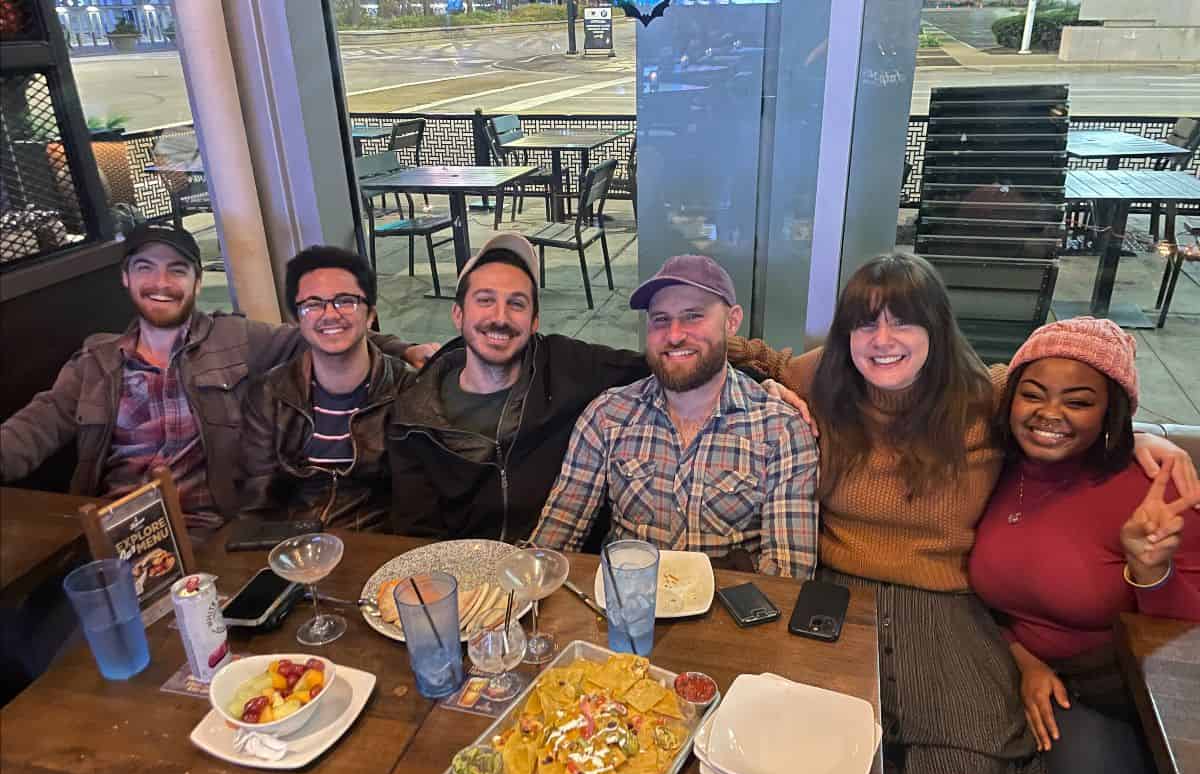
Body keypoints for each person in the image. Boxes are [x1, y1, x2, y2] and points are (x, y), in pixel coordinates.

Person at [750, 252, 1198, 774]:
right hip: (834, 597)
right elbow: (753, 357)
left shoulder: (984, 396)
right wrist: (747, 373)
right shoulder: (824, 380)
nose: (882, 341)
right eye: (864, 325)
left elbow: (1064, 408)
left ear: (938, 329)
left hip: (947, 609)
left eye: (903, 323)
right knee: (805, 769)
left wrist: (1141, 440)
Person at [0, 224, 430, 536]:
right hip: (118, 531)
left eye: (177, 270)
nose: (161, 283)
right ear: (125, 278)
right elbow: (34, 428)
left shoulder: (237, 338)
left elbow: (332, 331)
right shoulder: (94, 362)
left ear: (197, 281)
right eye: (145, 268)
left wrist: (407, 349)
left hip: (209, 530)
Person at [970, 317, 1199, 774]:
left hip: (1132, 691)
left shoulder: (1155, 488)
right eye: (1033, 393)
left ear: (1110, 413)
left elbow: (1185, 651)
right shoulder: (995, 467)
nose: (1050, 414)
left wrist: (1151, 571)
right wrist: (1021, 659)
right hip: (1057, 689)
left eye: (1078, 401)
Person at [387, 234, 794, 545]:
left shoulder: (567, 366)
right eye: (485, 300)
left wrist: (763, 381)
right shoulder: (414, 413)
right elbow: (414, 540)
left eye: (516, 303)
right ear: (458, 313)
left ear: (534, 321)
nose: (499, 318)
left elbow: (675, 363)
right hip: (465, 583)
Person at [530, 255, 818, 579]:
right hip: (625, 613)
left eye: (693, 316)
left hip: (733, 622)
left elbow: (788, 578)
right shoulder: (608, 416)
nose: (675, 335)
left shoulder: (780, 430)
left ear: (732, 321)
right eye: (660, 319)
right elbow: (555, 541)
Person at [239, 246, 412, 530]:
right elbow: (258, 502)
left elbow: (416, 501)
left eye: (345, 301)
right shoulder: (270, 394)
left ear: (370, 316)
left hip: (379, 544)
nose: (330, 314)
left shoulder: (407, 388)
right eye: (313, 304)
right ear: (296, 319)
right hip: (296, 546)